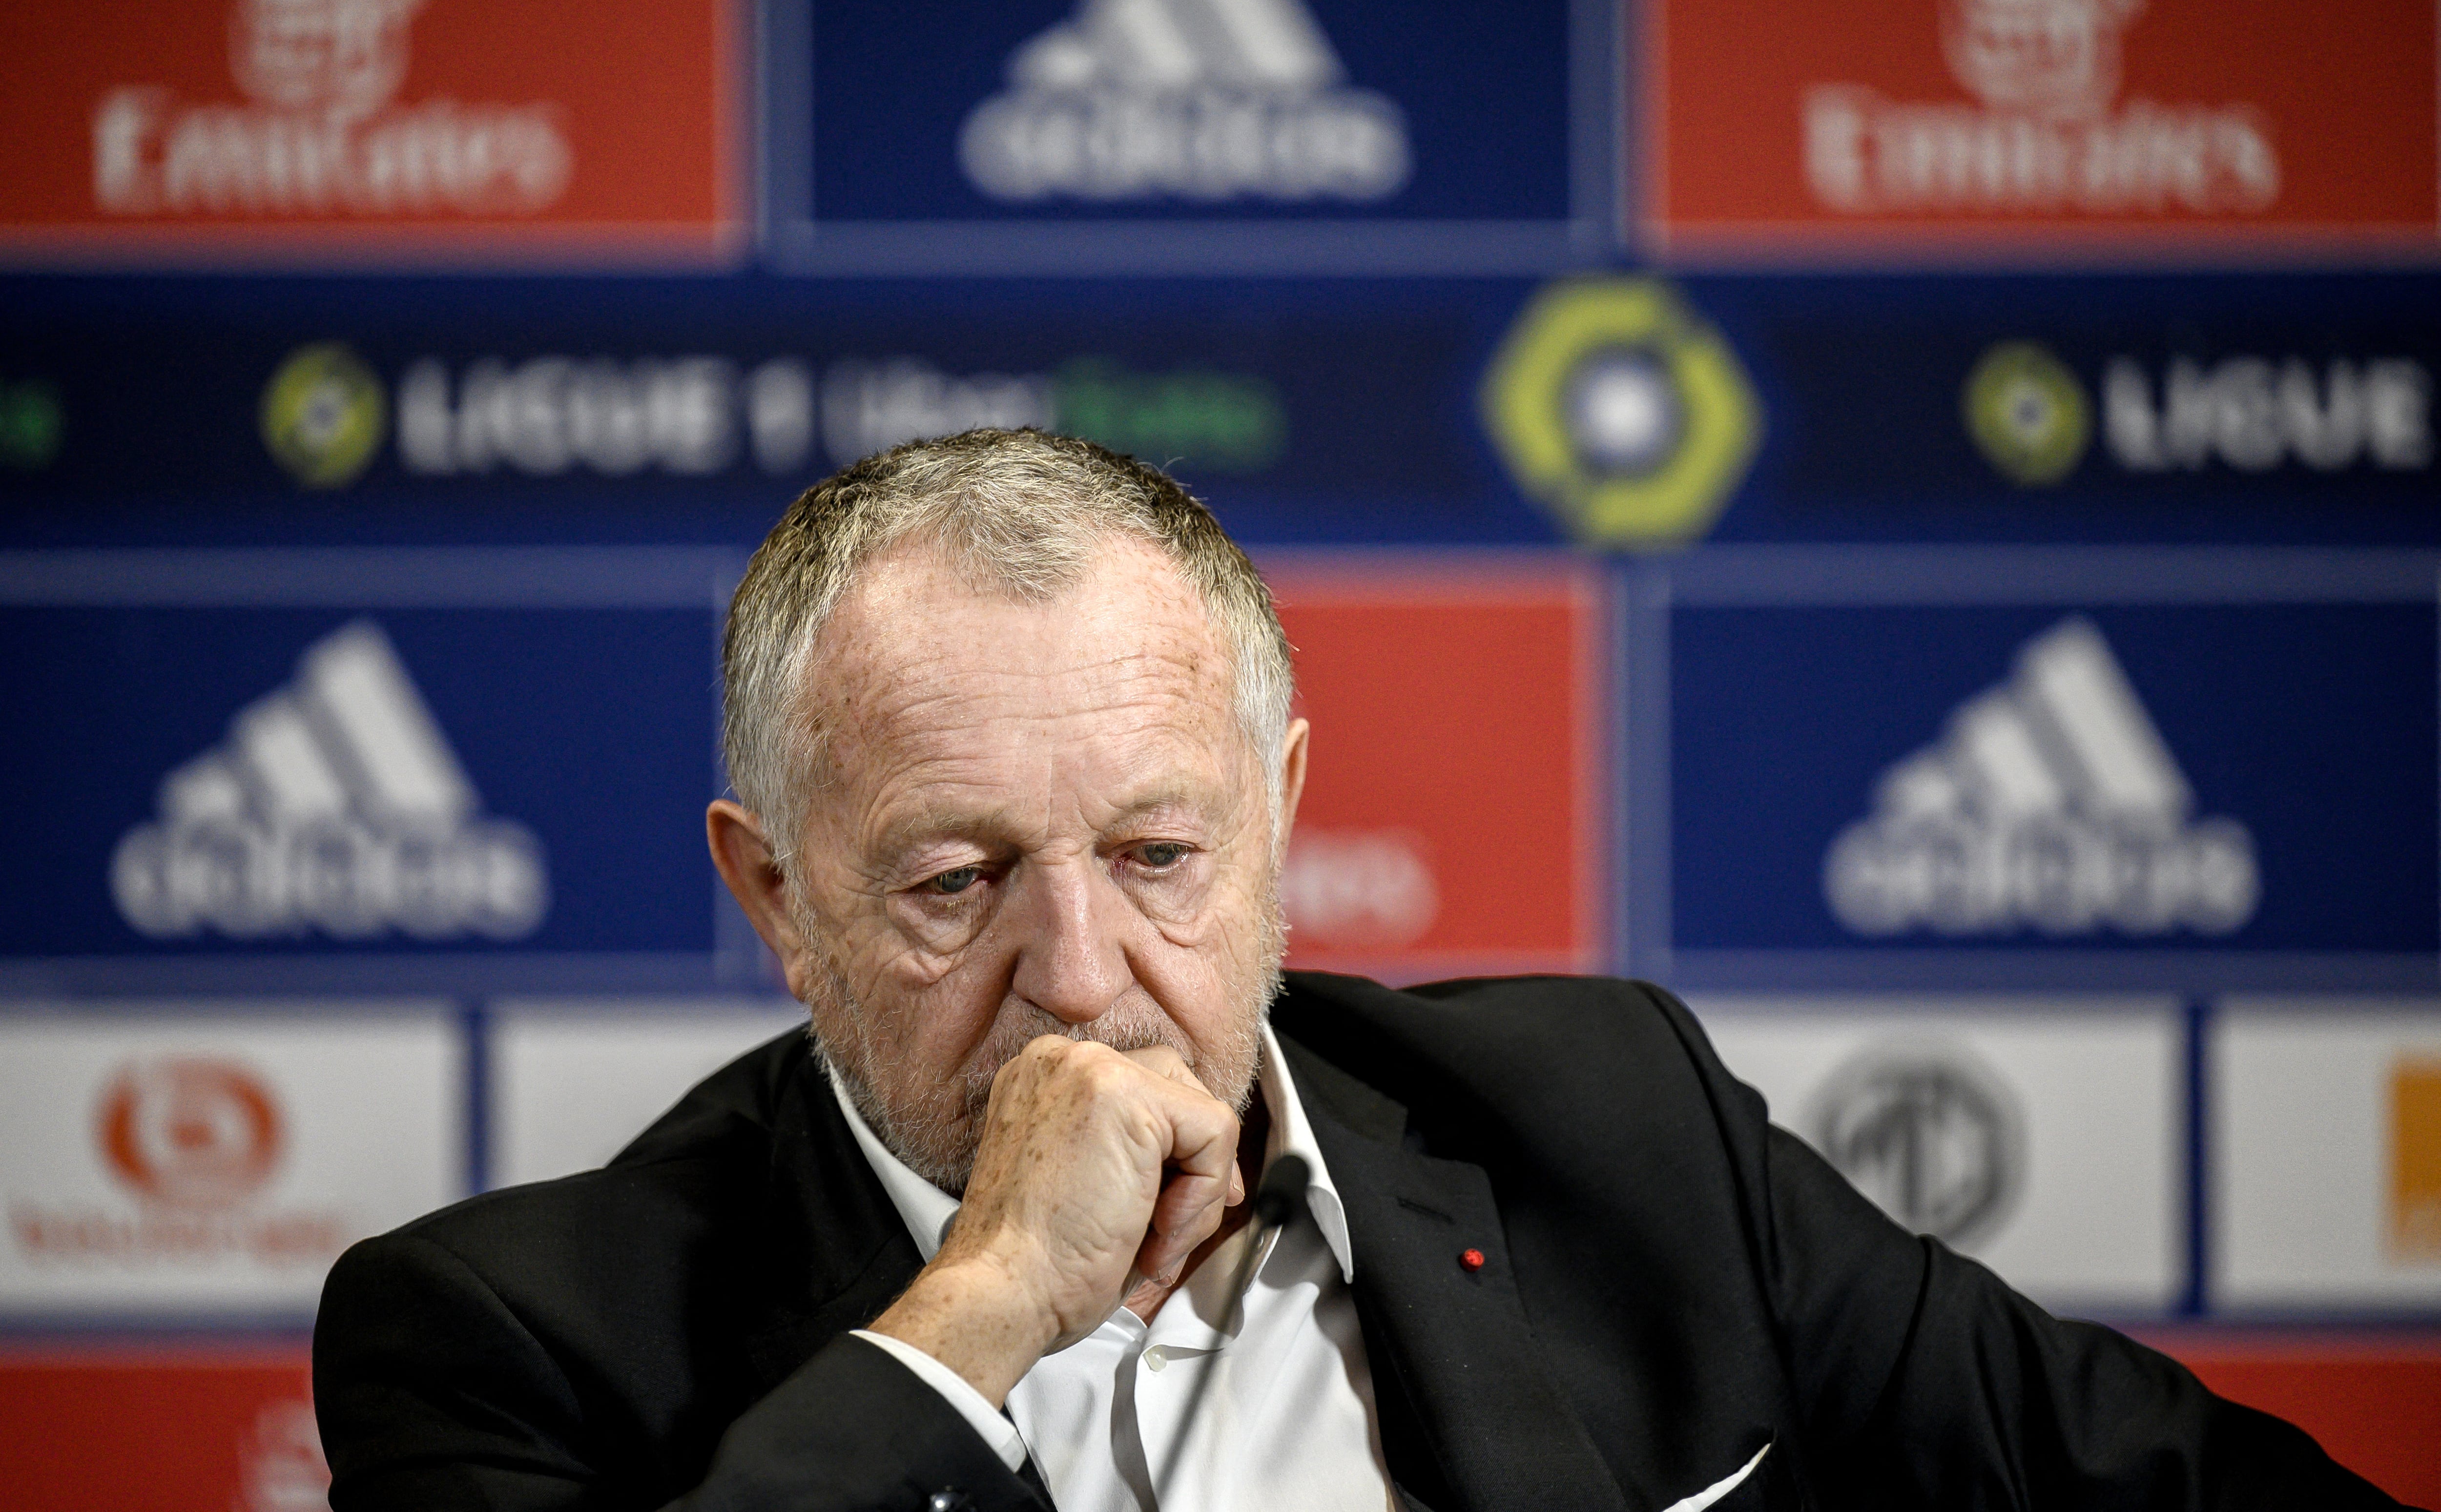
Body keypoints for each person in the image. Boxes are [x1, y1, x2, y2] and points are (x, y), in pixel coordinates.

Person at [312, 430, 2405, 1512]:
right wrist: (986, 1304)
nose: (1082, 976)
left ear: (1283, 812)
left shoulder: (1617, 1127)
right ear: (775, 896)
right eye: (956, 880)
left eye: (1158, 856)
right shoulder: (503, 1338)